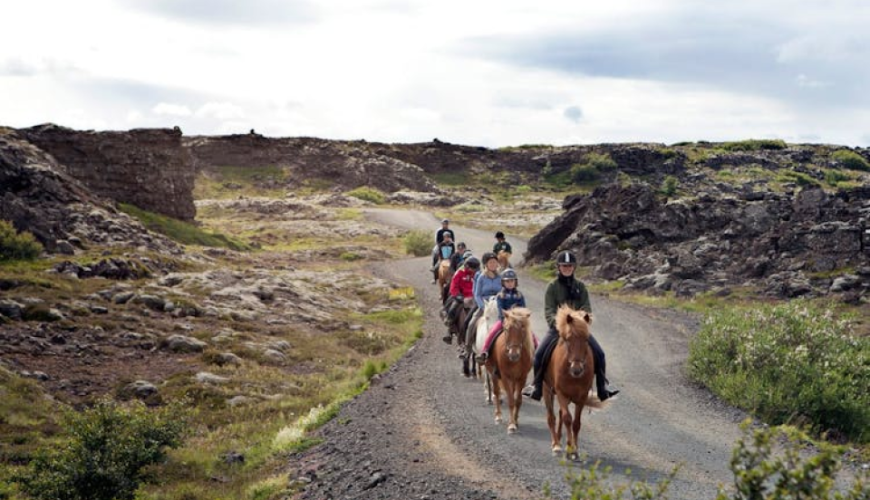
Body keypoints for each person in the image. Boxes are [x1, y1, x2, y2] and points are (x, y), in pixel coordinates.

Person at [523, 251, 619, 402]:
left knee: (600, 354)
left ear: (574, 267)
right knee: (539, 355)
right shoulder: (552, 287)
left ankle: (602, 388)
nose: (567, 268)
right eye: (564, 266)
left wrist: (581, 322)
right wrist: (559, 325)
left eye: (569, 266)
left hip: (579, 331)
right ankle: (536, 387)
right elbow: (549, 310)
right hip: (558, 330)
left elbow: (586, 308)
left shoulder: (581, 286)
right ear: (559, 267)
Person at [476, 268, 529, 362]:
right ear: (503, 283)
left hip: (518, 321)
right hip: (505, 320)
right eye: (507, 281)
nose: (510, 283)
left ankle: (536, 350)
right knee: (493, 331)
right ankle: (485, 351)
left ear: (515, 282)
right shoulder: (500, 296)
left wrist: (521, 317)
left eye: (512, 281)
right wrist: (505, 317)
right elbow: (500, 309)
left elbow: (523, 308)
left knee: (531, 334)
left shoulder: (519, 295)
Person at [461, 252, 502, 357]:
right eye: (490, 262)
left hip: (498, 305)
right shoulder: (481, 277)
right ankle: (467, 348)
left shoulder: (501, 277)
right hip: (484, 304)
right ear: (486, 264)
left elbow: (504, 291)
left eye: (495, 262)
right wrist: (483, 307)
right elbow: (477, 294)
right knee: (471, 323)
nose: (493, 264)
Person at [441, 257, 480, 344]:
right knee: (453, 308)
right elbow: (453, 287)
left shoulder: (478, 274)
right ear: (467, 266)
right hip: (462, 296)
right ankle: (450, 328)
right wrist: (459, 297)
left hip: (475, 296)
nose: (474, 271)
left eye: (476, 269)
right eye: (473, 269)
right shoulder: (459, 273)